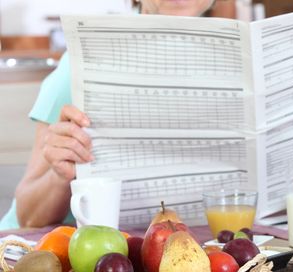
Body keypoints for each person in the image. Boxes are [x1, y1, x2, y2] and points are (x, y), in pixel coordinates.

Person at [0, 0, 220, 230]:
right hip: (76, 252)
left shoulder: (235, 61)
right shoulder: (85, 62)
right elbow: (27, 219)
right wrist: (60, 176)